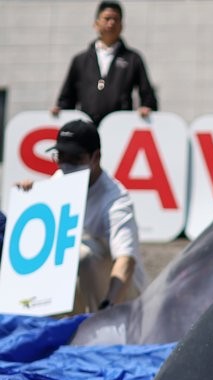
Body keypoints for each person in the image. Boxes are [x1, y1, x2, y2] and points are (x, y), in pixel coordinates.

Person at [16, 120, 147, 314]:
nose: (66, 165)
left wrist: (108, 308)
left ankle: (99, 324)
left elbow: (126, 261)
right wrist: (31, 194)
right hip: (78, 287)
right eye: (61, 157)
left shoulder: (116, 199)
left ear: (96, 157)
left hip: (121, 297)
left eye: (75, 158)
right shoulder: (60, 179)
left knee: (83, 255)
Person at [51, 1, 158, 124]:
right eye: (107, 18)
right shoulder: (80, 60)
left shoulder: (133, 59)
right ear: (96, 24)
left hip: (120, 127)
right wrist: (61, 112)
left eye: (116, 19)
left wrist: (147, 109)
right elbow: (67, 98)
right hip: (87, 127)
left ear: (122, 25)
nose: (111, 23)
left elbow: (147, 95)